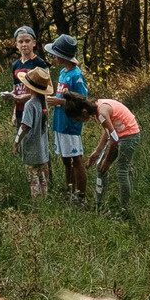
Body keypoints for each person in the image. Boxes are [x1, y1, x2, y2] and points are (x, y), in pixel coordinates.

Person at [56, 90, 141, 212]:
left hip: (129, 135)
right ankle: (99, 205)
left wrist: (107, 160)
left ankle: (125, 209)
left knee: (122, 170)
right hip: (118, 134)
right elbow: (108, 132)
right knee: (99, 167)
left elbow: (114, 139)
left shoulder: (101, 112)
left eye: (78, 118)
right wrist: (97, 151)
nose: (80, 122)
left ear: (84, 111)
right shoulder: (97, 110)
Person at [43, 34, 90, 203]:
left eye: (56, 54)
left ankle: (81, 195)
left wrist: (60, 101)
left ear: (63, 56)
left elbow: (82, 100)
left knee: (76, 159)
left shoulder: (76, 76)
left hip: (71, 124)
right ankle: (70, 190)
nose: (54, 57)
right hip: (60, 122)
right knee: (65, 159)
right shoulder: (63, 72)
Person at [12, 60, 53, 197]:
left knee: (33, 179)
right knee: (43, 179)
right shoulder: (43, 103)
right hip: (42, 152)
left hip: (31, 150)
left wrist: (16, 142)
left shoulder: (30, 104)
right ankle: (45, 203)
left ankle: (37, 206)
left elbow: (24, 126)